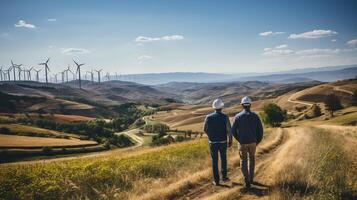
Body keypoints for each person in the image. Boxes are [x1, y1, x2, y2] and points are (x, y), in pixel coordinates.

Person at [231, 96, 263, 189]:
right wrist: (257, 141)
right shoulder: (255, 116)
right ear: (250, 105)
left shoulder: (237, 117)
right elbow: (260, 131)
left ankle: (246, 179)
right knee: (252, 159)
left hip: (242, 142)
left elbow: (233, 131)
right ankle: (251, 178)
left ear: (242, 105)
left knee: (243, 160)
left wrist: (239, 139)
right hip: (253, 142)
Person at [203, 98, 233, 186]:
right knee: (223, 158)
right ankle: (224, 177)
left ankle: (216, 181)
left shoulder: (208, 117)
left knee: (214, 160)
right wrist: (230, 140)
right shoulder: (225, 117)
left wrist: (210, 136)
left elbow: (204, 129)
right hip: (223, 141)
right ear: (221, 107)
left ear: (214, 108)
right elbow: (229, 130)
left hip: (212, 142)